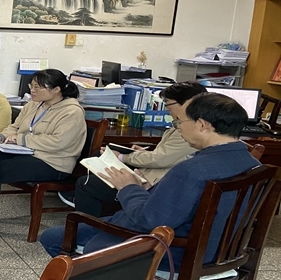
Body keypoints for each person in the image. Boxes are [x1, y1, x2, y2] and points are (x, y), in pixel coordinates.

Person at [39, 93, 260, 269]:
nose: (178, 127)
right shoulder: (253, 164)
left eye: (180, 122)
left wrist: (127, 187)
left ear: (202, 125)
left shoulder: (191, 170)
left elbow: (148, 220)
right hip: (219, 249)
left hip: (172, 251)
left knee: (53, 238)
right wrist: (146, 189)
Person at [62, 82, 206, 217]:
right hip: (151, 173)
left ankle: (88, 221)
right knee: (104, 152)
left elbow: (161, 159)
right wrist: (144, 153)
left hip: (152, 182)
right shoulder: (182, 124)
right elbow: (167, 156)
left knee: (85, 183)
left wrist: (122, 157)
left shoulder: (188, 129)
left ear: (187, 103)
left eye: (168, 103)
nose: (166, 108)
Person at [0, 69, 86, 234]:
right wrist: (1, 136)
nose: (32, 90)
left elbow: (59, 142)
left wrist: (20, 139)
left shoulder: (72, 111)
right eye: (32, 86)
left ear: (56, 89)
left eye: (38, 87)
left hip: (53, 162)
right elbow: (15, 127)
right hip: (26, 153)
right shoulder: (33, 105)